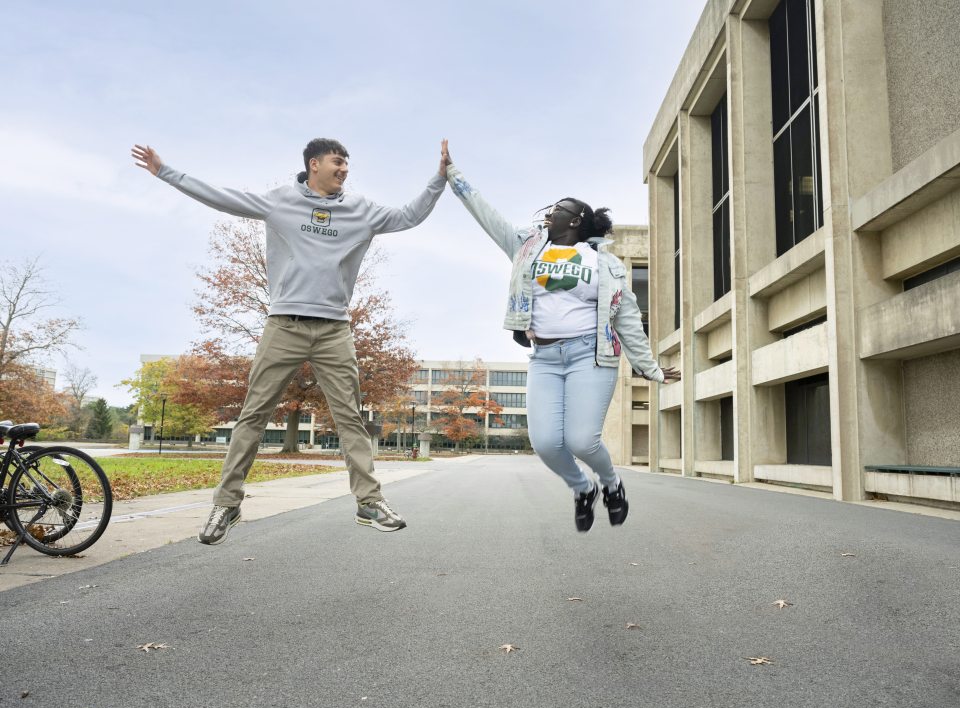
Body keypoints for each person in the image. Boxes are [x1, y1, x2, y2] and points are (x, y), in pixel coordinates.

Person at [131, 138, 447, 543]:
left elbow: (409, 215)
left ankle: (369, 502)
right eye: (338, 162)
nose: (345, 169)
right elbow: (222, 198)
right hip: (284, 325)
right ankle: (227, 505)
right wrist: (165, 171)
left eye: (348, 163)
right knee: (253, 414)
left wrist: (438, 179)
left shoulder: (361, 211)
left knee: (350, 416)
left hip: (334, 329)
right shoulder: (280, 201)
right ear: (314, 164)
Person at [441, 141, 680, 532]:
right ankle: (582, 487)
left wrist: (649, 368)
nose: (549, 214)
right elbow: (488, 217)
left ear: (576, 220)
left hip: (591, 355)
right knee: (547, 444)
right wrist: (454, 175)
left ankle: (612, 484)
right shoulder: (528, 247)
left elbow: (628, 319)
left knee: (583, 441)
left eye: (558, 210)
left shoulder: (604, 264)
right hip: (545, 358)